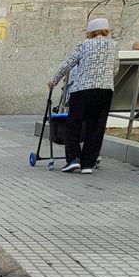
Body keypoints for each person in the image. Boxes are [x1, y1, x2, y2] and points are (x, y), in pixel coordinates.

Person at [48, 17, 119, 174]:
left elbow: (68, 63)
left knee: (74, 123)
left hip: (82, 89)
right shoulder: (114, 46)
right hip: (105, 90)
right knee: (96, 126)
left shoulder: (84, 45)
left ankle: (73, 159)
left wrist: (54, 80)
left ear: (90, 31)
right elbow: (115, 69)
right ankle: (88, 163)